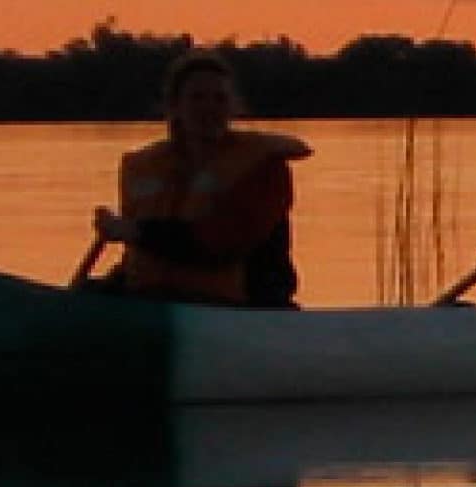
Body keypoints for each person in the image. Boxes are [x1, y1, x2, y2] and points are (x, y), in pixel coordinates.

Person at [94, 50, 312, 308]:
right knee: (93, 291)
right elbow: (140, 256)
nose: (208, 108)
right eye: (197, 98)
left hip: (243, 306)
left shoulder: (262, 166)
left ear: (233, 107)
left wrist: (136, 231)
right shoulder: (144, 166)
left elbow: (222, 242)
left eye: (219, 99)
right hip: (155, 298)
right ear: (174, 106)